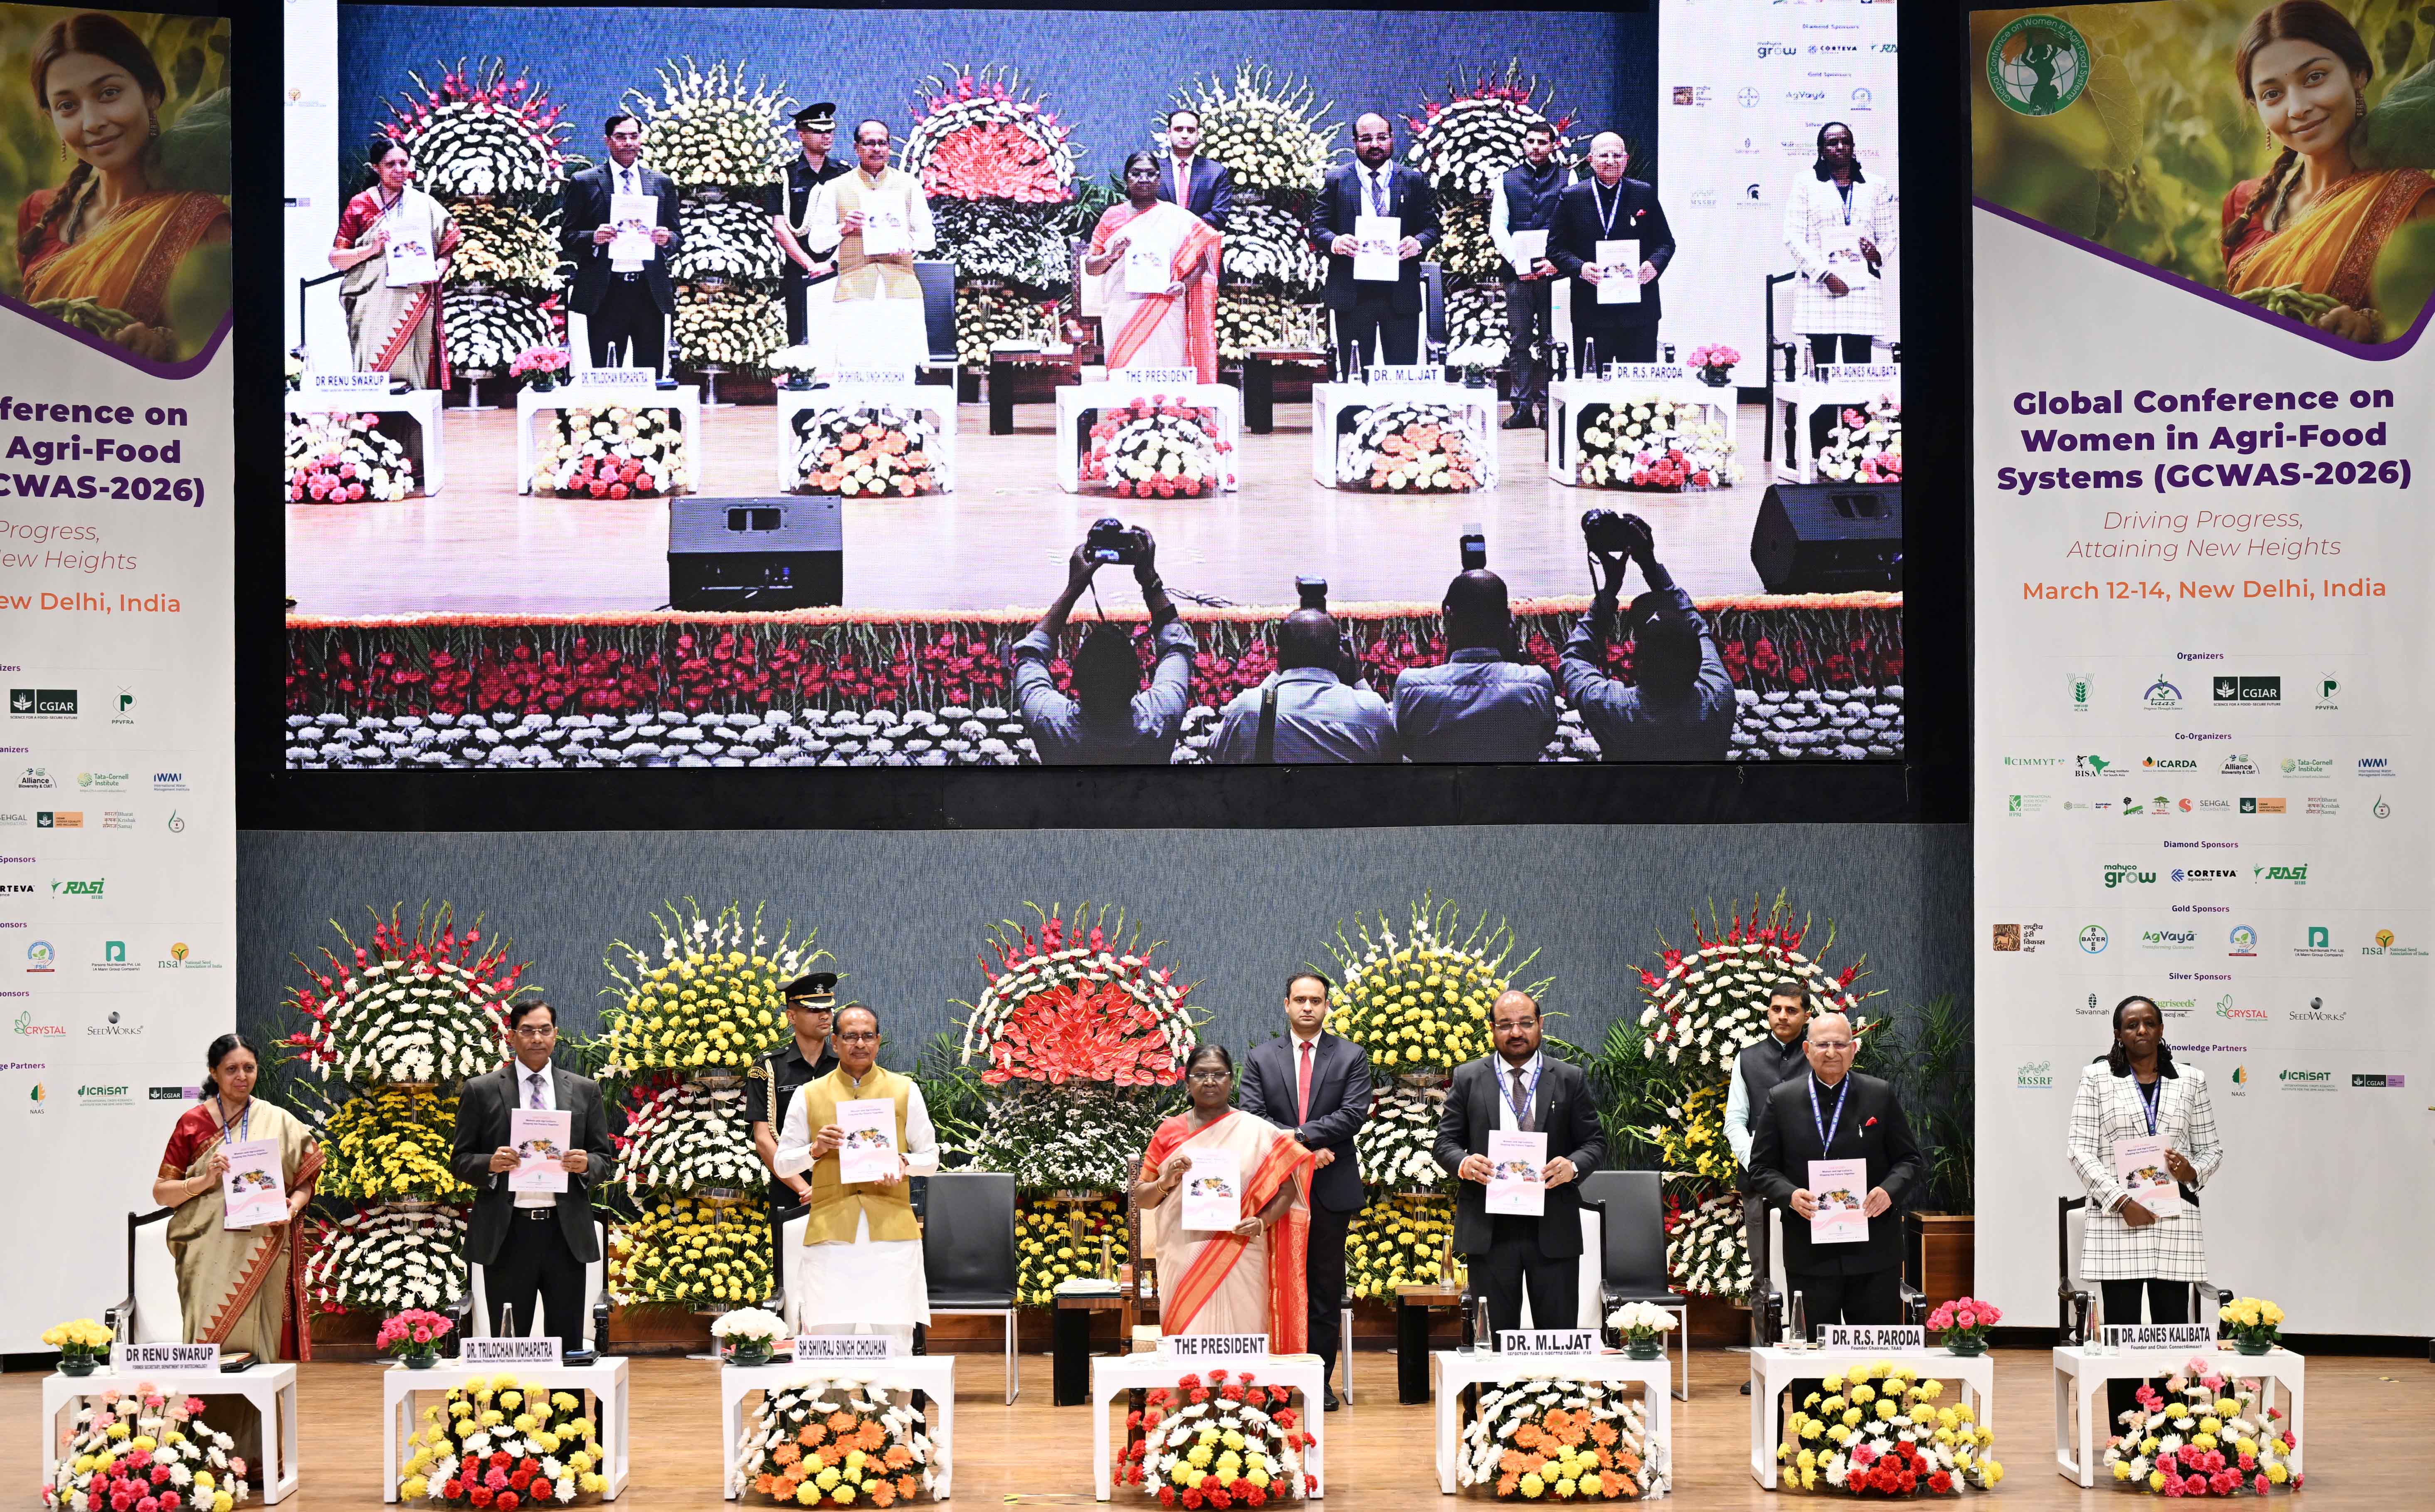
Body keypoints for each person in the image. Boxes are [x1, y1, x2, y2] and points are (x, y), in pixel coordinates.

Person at [17, 11, 230, 361]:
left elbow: (228, 354)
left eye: (109, 93)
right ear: (51, 117)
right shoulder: (40, 213)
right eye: (68, 106)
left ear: (151, 94)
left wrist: (164, 344)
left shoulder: (203, 223)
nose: (92, 122)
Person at [2222, 0, 2435, 342]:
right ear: (2256, 106)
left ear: (2357, 74)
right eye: (2272, 94)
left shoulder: (2414, 200)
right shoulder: (2244, 204)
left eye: (2315, 77)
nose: (2298, 108)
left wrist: (2371, 326)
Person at [2067, 995, 2224, 1426]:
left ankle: (2172, 1432)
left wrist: (2192, 1168)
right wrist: (2121, 1201)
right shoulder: (2097, 1078)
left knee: (2171, 1333)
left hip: (2174, 1223)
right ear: (2117, 1033)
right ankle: (2126, 1433)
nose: (2141, 1030)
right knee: (2121, 1335)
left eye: (2149, 1023)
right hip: (2120, 1221)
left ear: (2160, 1030)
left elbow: (2212, 1148)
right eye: (2131, 1024)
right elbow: (2079, 1150)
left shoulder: (2190, 1080)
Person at [1237, 972, 1374, 1407]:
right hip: (1277, 1186)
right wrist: (1302, 1149)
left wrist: (1297, 1137)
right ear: (1286, 1004)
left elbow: (1354, 1113)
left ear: (1327, 1005)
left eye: (1316, 999)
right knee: (1273, 1281)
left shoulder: (1351, 1056)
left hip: (1330, 1187)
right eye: (1300, 999)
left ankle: (1319, 1377)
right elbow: (1252, 1116)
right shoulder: (1261, 1057)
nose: (1308, 1006)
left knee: (1323, 1285)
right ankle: (1273, 1379)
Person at [450, 1001, 617, 1356]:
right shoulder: (481, 1090)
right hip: (507, 1233)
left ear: (556, 1035)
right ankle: (504, 1413)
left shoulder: (585, 1090)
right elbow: (461, 1161)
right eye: (527, 1030)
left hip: (564, 1232)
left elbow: (605, 1160)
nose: (536, 1038)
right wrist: (489, 1164)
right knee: (507, 1344)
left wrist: (586, 1164)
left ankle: (567, 1414)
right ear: (511, 1037)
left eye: (545, 1030)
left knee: (567, 1345)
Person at [1435, 990, 1605, 1336]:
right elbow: (1445, 1143)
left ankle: (1559, 1391)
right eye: (1506, 1025)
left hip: (1552, 1223)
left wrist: (1571, 1166)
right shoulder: (1468, 1077)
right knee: (1494, 1336)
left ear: (1540, 1025)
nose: (1516, 1033)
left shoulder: (1568, 1077)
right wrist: (1464, 1164)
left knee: (1556, 1335)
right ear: (1492, 1029)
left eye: (1525, 1023)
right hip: (1490, 1226)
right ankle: (1498, 1393)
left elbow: (1595, 1143)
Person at [772, 1004, 940, 1349]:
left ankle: (899, 1406)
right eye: (850, 1036)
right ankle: (830, 1406)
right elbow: (783, 1164)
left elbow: (932, 1160)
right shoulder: (810, 1093)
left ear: (879, 1041)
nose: (859, 1044)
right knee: (826, 1343)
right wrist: (814, 1150)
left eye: (867, 1036)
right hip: (832, 1233)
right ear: (835, 1042)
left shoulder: (905, 1089)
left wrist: (903, 1162)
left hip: (892, 1232)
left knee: (895, 1340)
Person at [1747, 1012, 1922, 1333]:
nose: (1831, 1052)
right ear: (1807, 1050)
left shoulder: (1879, 1094)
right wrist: (1789, 1194)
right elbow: (1760, 1167)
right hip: (1809, 1247)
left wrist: (1888, 1191)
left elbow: (1909, 1160)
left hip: (1873, 1247)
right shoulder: (1781, 1099)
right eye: (1823, 1044)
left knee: (1877, 1354)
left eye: (1840, 1044)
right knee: (1812, 1356)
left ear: (1854, 1049)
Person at [152, 1032, 322, 1360]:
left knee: (261, 1357)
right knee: (208, 1350)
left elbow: (306, 1181)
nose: (241, 1077)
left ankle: (262, 1415)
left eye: (249, 1068)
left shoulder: (279, 1121)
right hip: (205, 1254)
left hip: (263, 1248)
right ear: (214, 1073)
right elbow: (161, 1193)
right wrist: (204, 1180)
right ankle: (202, 1412)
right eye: (231, 1069)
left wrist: (293, 1207)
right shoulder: (192, 1124)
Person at [1134, 1044, 1316, 1344]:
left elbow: (1287, 1189)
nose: (1209, 1082)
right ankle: (1187, 1391)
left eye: (1218, 1074)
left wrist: (1261, 1222)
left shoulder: (1256, 1130)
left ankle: (1245, 1393)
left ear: (1231, 1080)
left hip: (1241, 1249)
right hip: (1184, 1253)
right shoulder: (1169, 1131)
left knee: (1243, 1335)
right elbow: (1143, 1198)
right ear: (1187, 1080)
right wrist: (1165, 1180)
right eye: (1200, 1075)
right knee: (1187, 1341)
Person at [1559, 514, 1735, 761]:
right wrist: (1650, 565)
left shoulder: (1616, 708)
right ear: (1697, 663)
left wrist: (1610, 589)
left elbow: (1573, 658)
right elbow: (1698, 627)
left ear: (1637, 664)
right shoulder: (1719, 697)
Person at [1012, 537, 1195, 764]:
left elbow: (1030, 655)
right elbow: (1177, 647)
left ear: (1075, 681)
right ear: (1138, 681)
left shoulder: (1049, 718)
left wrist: (1074, 589)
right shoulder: (1162, 713)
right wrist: (1150, 580)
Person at [1308, 113, 1440, 372]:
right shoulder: (1336, 179)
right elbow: (1317, 227)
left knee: (1402, 376)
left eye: (1382, 137)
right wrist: (1334, 242)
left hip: (1400, 293)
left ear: (1392, 139)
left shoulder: (1413, 180)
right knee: (1354, 376)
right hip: (1353, 292)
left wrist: (1419, 242)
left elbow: (1433, 227)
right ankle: (1351, 415)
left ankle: (1401, 415)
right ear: (1355, 142)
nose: (1375, 145)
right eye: (1367, 139)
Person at [806, 119, 938, 374]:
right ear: (857, 148)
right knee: (855, 357)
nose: (876, 148)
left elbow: (929, 238)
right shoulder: (835, 187)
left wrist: (908, 243)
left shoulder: (909, 185)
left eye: (882, 143)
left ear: (889, 148)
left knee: (899, 356)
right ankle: (854, 413)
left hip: (900, 283)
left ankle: (899, 412)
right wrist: (843, 229)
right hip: (855, 283)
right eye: (869, 143)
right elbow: (816, 242)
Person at [330, 136, 460, 387]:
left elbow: (448, 248)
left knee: (414, 381)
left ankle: (413, 429)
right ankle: (368, 426)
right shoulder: (360, 205)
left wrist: (437, 269)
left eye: (404, 163)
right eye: (391, 165)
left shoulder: (424, 204)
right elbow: (337, 259)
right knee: (372, 375)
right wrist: (372, 248)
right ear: (376, 168)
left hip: (415, 302)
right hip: (372, 305)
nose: (400, 170)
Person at [1391, 568, 1556, 763]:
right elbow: (1544, 737)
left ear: (1448, 618)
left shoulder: (1411, 688)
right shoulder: (1535, 685)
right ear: (1508, 622)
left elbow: (1403, 745)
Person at [1084, 150, 1222, 382]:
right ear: (1127, 179)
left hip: (1166, 305)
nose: (1144, 179)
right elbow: (1091, 267)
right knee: (1124, 375)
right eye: (1136, 174)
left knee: (1167, 372)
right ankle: (1122, 419)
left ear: (1159, 179)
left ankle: (1173, 417)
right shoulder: (1112, 216)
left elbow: (1203, 254)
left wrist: (1184, 285)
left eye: (1151, 174)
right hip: (1122, 309)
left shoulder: (1177, 217)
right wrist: (1112, 255)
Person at [561, 113, 681, 372]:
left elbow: (677, 236)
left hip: (648, 289)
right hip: (606, 290)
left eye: (634, 136)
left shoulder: (661, 182)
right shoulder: (584, 182)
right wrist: (593, 237)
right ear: (608, 141)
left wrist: (667, 238)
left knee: (651, 373)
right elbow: (567, 237)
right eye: (621, 137)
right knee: (605, 374)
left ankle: (652, 414)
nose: (628, 143)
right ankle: (606, 414)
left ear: (641, 140)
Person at [1548, 133, 1674, 367]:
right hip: (1591, 308)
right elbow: (1555, 249)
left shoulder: (1643, 193)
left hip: (1639, 309)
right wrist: (1581, 267)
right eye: (1604, 155)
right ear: (1591, 160)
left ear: (1626, 159)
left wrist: (1653, 264)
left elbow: (1666, 243)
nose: (1610, 161)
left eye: (1617, 155)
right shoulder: (1572, 197)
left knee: (1639, 393)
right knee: (1593, 390)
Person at [1209, 608, 1398, 763]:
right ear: (1339, 657)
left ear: (1281, 656)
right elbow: (1392, 759)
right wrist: (1358, 678)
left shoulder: (1249, 708)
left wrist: (1276, 673)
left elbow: (1216, 752)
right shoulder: (1368, 709)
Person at [1784, 122, 1894, 369]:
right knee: (1821, 373)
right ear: (1822, 150)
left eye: (1846, 142)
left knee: (1859, 369)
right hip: (1821, 287)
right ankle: (1823, 411)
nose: (1840, 147)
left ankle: (1856, 411)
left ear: (1853, 148)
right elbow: (1793, 237)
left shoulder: (1876, 186)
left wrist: (1877, 254)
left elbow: (1889, 236)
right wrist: (1825, 275)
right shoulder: (1805, 184)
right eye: (1832, 143)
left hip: (1860, 288)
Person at [1489, 121, 1567, 427]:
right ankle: (1521, 406)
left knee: (1552, 339)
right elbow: (1498, 226)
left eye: (1542, 142)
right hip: (1516, 274)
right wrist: (1517, 261)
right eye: (1530, 142)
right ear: (1523, 144)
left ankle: (1550, 405)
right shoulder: (1506, 179)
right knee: (1519, 340)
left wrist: (1556, 261)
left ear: (1552, 146)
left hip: (1553, 273)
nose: (1536, 147)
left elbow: (1570, 221)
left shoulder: (1567, 176)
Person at [747, 971, 843, 1209]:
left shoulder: (844, 1065)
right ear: (792, 1017)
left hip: (843, 1184)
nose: (825, 1016)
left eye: (828, 1009)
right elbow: (763, 1138)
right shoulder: (769, 1067)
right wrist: (804, 1189)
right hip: (792, 1188)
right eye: (813, 1010)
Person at [767, 102, 851, 351]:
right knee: (800, 332)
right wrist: (810, 265)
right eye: (818, 131)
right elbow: (781, 227)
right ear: (801, 135)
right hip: (800, 266)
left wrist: (832, 263)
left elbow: (851, 226)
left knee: (839, 331)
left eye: (830, 131)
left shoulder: (844, 173)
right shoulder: (783, 175)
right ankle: (800, 378)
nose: (827, 137)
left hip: (839, 264)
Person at [1727, 980, 1814, 1172]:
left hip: (1810, 1173)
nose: (1782, 1016)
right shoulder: (1746, 1058)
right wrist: (1755, 1162)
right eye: (1777, 1009)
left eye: (1791, 1011)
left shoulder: (1818, 1057)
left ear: (1807, 1016)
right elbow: (1735, 1120)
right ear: (1768, 1012)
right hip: (1755, 1173)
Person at [1155, 108, 1235, 230]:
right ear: (1169, 133)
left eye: (1191, 130)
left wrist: (1187, 228)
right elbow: (1144, 210)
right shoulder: (1154, 171)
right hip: (1160, 241)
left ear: (1198, 134)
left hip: (1201, 242)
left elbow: (1220, 215)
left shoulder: (1216, 172)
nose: (1185, 135)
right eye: (1179, 129)